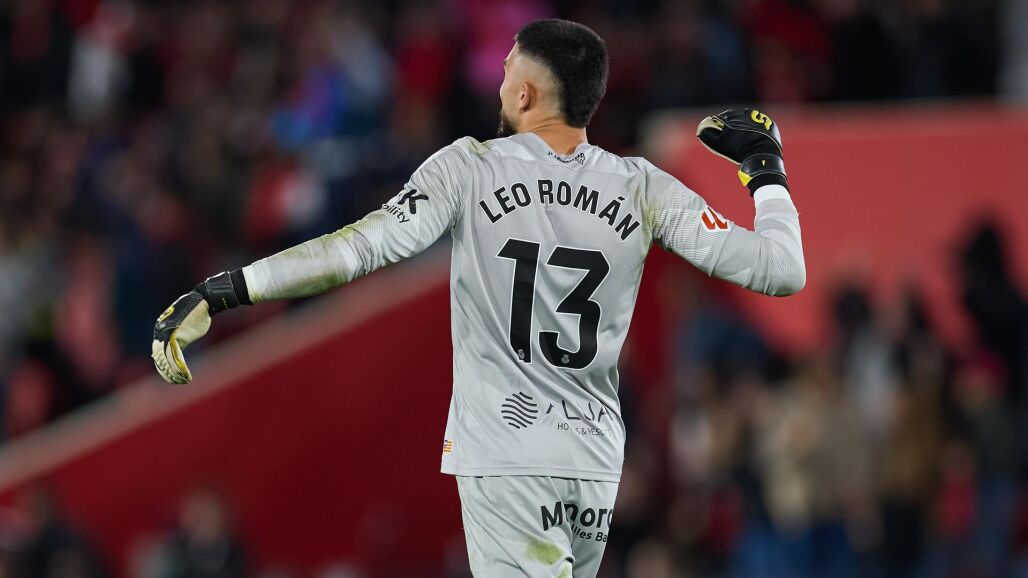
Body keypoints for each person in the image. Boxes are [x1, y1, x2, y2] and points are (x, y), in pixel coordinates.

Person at [151, 18, 805, 578]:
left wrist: (227, 289)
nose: (497, 84)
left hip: (508, 452)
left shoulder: (469, 168)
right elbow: (780, 270)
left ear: (526, 92)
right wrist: (763, 170)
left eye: (507, 70)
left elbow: (356, 249)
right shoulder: (640, 186)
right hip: (592, 462)